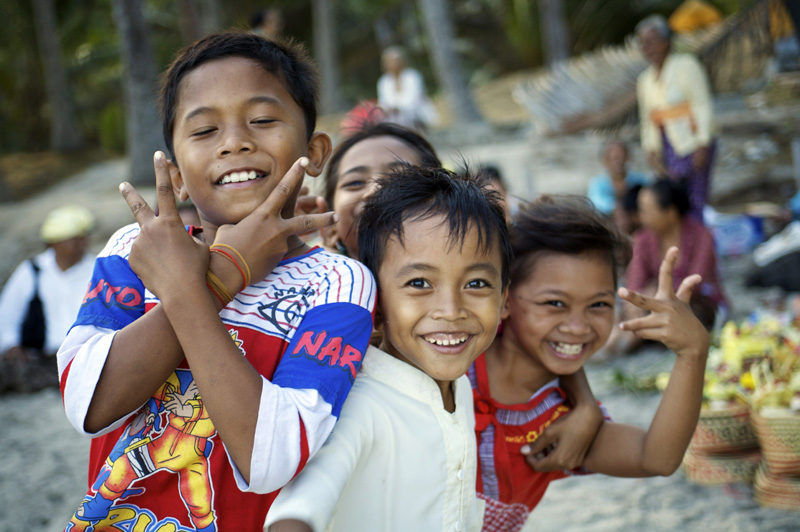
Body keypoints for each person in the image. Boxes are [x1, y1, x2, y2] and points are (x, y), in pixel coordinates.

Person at [58, 32, 375, 531]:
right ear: (177, 174)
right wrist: (224, 273)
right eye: (204, 131)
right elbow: (89, 405)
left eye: (263, 120)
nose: (235, 142)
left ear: (314, 153)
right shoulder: (134, 249)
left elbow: (269, 460)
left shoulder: (337, 283)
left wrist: (205, 284)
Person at [320, 121, 604, 474]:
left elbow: (533, 326)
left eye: (398, 178)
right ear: (326, 218)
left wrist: (586, 405)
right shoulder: (316, 303)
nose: (376, 190)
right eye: (355, 182)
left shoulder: (474, 288)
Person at [265, 166, 511, 531]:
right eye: (419, 283)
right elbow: (298, 511)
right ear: (375, 303)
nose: (451, 310)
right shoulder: (360, 406)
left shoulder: (458, 384)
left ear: (504, 298)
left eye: (476, 283)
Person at [471, 195, 710, 528]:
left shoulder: (563, 422)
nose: (578, 327)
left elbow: (654, 457)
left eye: (598, 305)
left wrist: (693, 353)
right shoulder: (453, 361)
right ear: (503, 299)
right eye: (554, 303)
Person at [609, 178, 725, 355]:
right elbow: (635, 281)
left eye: (647, 211)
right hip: (651, 304)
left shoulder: (702, 237)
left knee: (681, 317)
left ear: (670, 213)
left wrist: (653, 295)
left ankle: (633, 338)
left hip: (695, 305)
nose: (640, 217)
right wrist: (637, 300)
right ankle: (630, 337)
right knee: (626, 311)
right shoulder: (643, 238)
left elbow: (695, 284)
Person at [0, 204, 95, 393]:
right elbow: (8, 313)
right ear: (55, 243)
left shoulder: (97, 269)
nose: (83, 244)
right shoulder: (32, 270)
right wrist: (11, 345)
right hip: (42, 357)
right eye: (75, 239)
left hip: (86, 356)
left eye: (83, 238)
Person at [636, 14, 716, 221]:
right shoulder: (644, 80)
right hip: (667, 150)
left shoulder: (687, 66)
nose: (648, 48)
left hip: (692, 143)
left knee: (695, 200)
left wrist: (702, 143)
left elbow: (702, 105)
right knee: (672, 205)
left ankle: (698, 249)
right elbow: (648, 119)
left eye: (652, 42)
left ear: (666, 42)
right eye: (643, 44)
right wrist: (650, 148)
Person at [586, 140, 649, 231]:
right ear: (605, 160)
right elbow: (595, 202)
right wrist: (615, 207)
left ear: (628, 158)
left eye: (621, 156)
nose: (618, 160)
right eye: (613, 157)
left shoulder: (640, 179)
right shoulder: (597, 183)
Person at [376, 46, 437, 131]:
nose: (392, 65)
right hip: (393, 117)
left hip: (415, 114)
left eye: (395, 61)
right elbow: (383, 103)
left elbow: (414, 100)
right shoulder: (384, 81)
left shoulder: (412, 76)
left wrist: (397, 108)